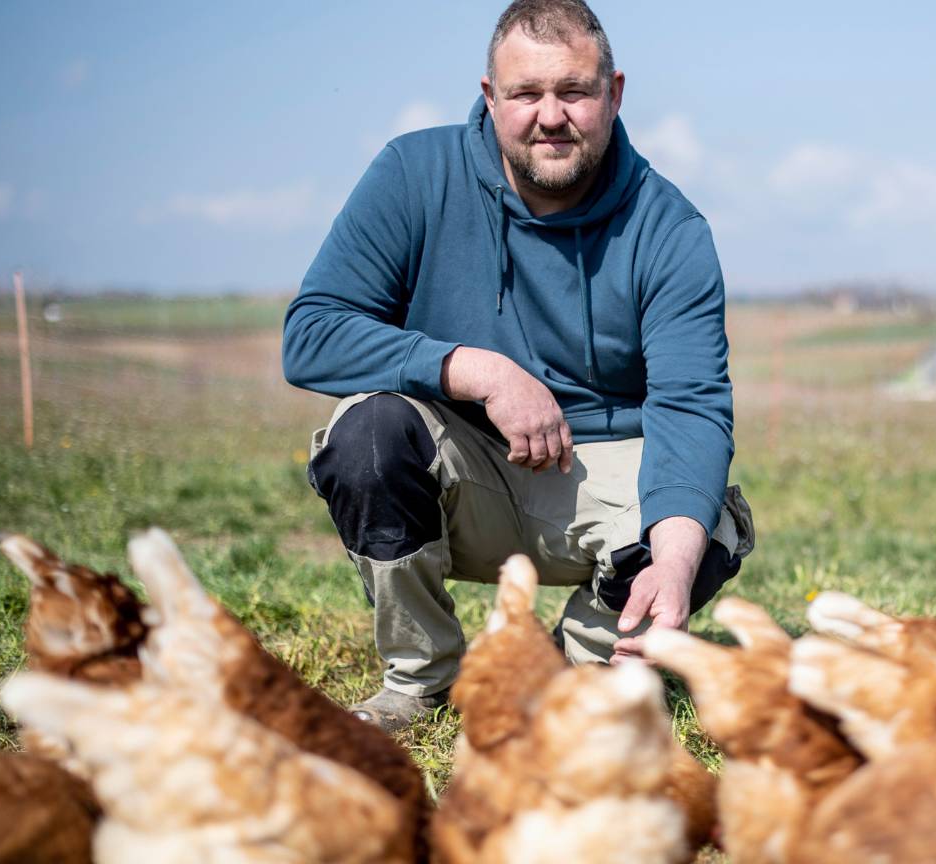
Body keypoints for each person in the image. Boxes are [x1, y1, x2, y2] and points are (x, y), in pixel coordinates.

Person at [282, 0, 753, 732]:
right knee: (366, 434)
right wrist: (477, 371)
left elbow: (691, 406)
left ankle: (586, 665)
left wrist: (675, 562)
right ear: (489, 97)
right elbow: (311, 335)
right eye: (526, 94)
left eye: (574, 91)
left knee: (702, 519)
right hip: (465, 478)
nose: (551, 116)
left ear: (614, 94)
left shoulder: (670, 229)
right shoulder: (413, 174)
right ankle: (419, 677)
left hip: (601, 491)